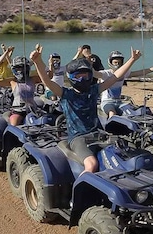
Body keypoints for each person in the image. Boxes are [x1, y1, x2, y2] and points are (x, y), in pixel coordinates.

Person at [31, 43, 142, 174]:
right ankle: (81, 190)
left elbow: (115, 77)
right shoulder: (66, 94)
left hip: (98, 133)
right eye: (78, 76)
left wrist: (132, 60)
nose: (83, 79)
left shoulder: (94, 90)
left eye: (86, 75)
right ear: (71, 77)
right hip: (78, 138)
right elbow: (47, 82)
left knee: (123, 153)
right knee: (92, 165)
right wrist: (37, 62)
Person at [97, 50, 153, 117]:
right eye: (115, 62)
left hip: (119, 102)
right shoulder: (106, 73)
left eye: (119, 62)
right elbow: (95, 74)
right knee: (112, 113)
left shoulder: (124, 73)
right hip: (107, 102)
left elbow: (140, 72)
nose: (117, 64)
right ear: (110, 63)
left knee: (129, 113)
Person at [0, 55, 43, 126]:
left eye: (22, 68)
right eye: (17, 69)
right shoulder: (12, 81)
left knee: (45, 122)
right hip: (18, 110)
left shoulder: (33, 79)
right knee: (13, 127)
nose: (20, 71)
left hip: (33, 109)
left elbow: (47, 76)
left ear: (27, 68)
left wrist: (39, 61)